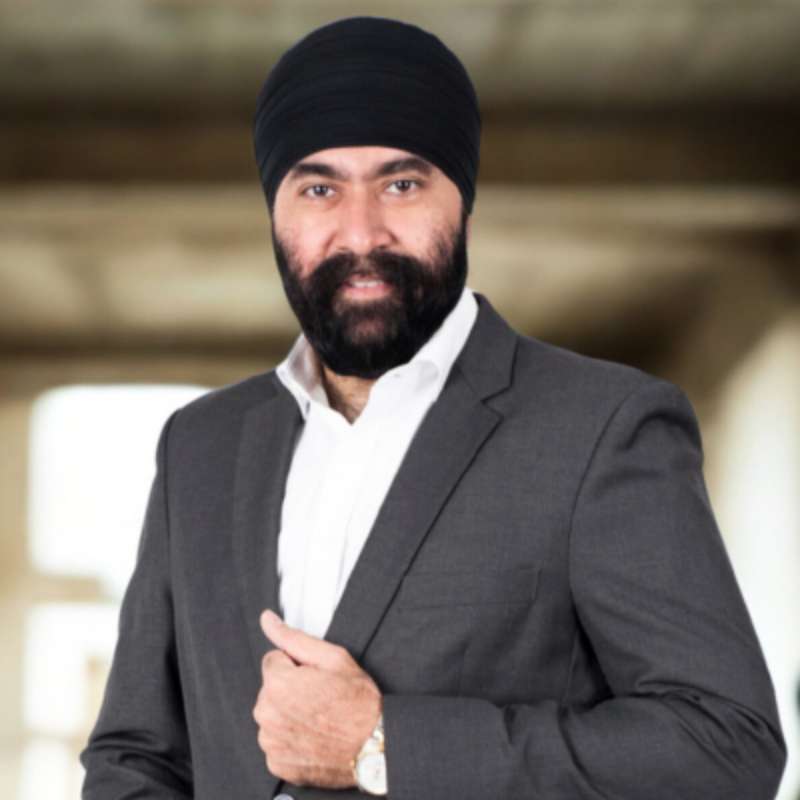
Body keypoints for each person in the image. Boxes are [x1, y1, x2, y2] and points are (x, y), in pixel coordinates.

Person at [80, 15, 786, 800]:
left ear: (464, 206)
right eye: (319, 189)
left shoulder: (603, 427)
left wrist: (383, 744)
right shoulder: (199, 445)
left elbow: (727, 747)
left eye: (402, 185)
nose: (361, 233)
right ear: (274, 216)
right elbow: (136, 758)